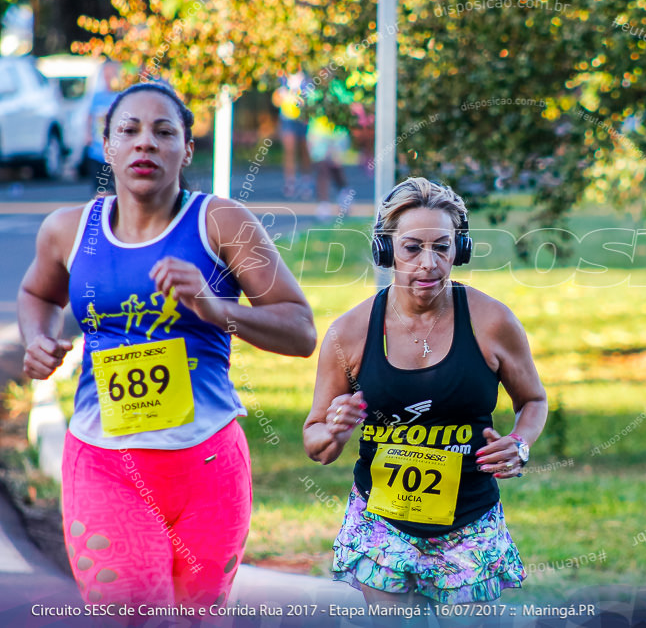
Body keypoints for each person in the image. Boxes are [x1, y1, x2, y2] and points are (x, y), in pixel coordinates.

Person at [18, 81, 317, 608]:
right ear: (105, 144)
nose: (145, 144)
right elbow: (36, 292)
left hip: (207, 468)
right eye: (129, 131)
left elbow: (300, 330)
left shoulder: (221, 223)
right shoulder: (67, 231)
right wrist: (37, 337)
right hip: (105, 463)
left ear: (187, 147)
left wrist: (217, 309)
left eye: (163, 132)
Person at [303, 177, 547, 608]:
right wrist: (336, 431)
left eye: (443, 247)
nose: (429, 263)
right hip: (381, 522)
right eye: (412, 247)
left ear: (461, 249)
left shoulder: (492, 321)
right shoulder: (351, 332)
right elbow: (316, 444)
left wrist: (519, 444)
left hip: (469, 521)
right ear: (385, 249)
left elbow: (533, 400)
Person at [272, 71, 313, 199]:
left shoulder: (306, 79)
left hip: (303, 119)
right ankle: (290, 182)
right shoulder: (282, 79)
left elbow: (312, 98)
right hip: (287, 118)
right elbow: (275, 100)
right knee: (289, 150)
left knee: (304, 150)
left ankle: (306, 181)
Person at [82, 60, 120, 193]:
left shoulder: (121, 96)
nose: (108, 78)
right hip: (97, 150)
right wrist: (88, 135)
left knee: (113, 189)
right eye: (106, 74)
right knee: (99, 189)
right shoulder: (97, 97)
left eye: (111, 74)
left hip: (116, 151)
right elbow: (90, 116)